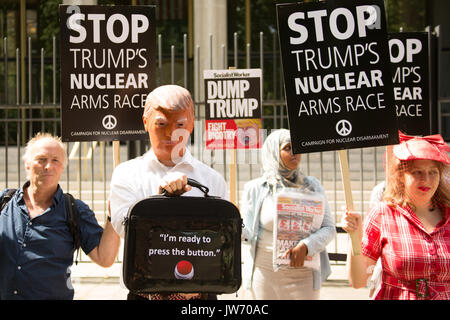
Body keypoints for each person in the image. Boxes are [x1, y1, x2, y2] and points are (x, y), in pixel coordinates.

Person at [109, 84, 228, 300]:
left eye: (180, 124)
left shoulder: (211, 180)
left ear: (191, 124)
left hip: (200, 296)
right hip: (145, 293)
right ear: (145, 122)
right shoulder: (126, 174)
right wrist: (160, 201)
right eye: (161, 124)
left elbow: (219, 241)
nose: (170, 133)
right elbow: (124, 229)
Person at [0, 133, 120, 300]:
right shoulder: (4, 202)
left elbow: (105, 258)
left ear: (62, 166)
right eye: (41, 159)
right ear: (27, 164)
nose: (48, 166)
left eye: (55, 160)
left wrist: (112, 216)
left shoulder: (75, 210)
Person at [342, 132, 450, 299]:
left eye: (433, 172)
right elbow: (358, 281)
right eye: (417, 172)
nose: (426, 179)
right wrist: (354, 236)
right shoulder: (383, 214)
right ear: (401, 175)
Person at [240, 129, 336, 299]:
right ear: (274, 152)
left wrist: (306, 246)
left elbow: (329, 228)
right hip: (265, 275)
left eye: (297, 147)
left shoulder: (312, 186)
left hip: (304, 277)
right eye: (288, 148)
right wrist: (235, 225)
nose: (295, 153)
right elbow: (247, 233)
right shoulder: (255, 188)